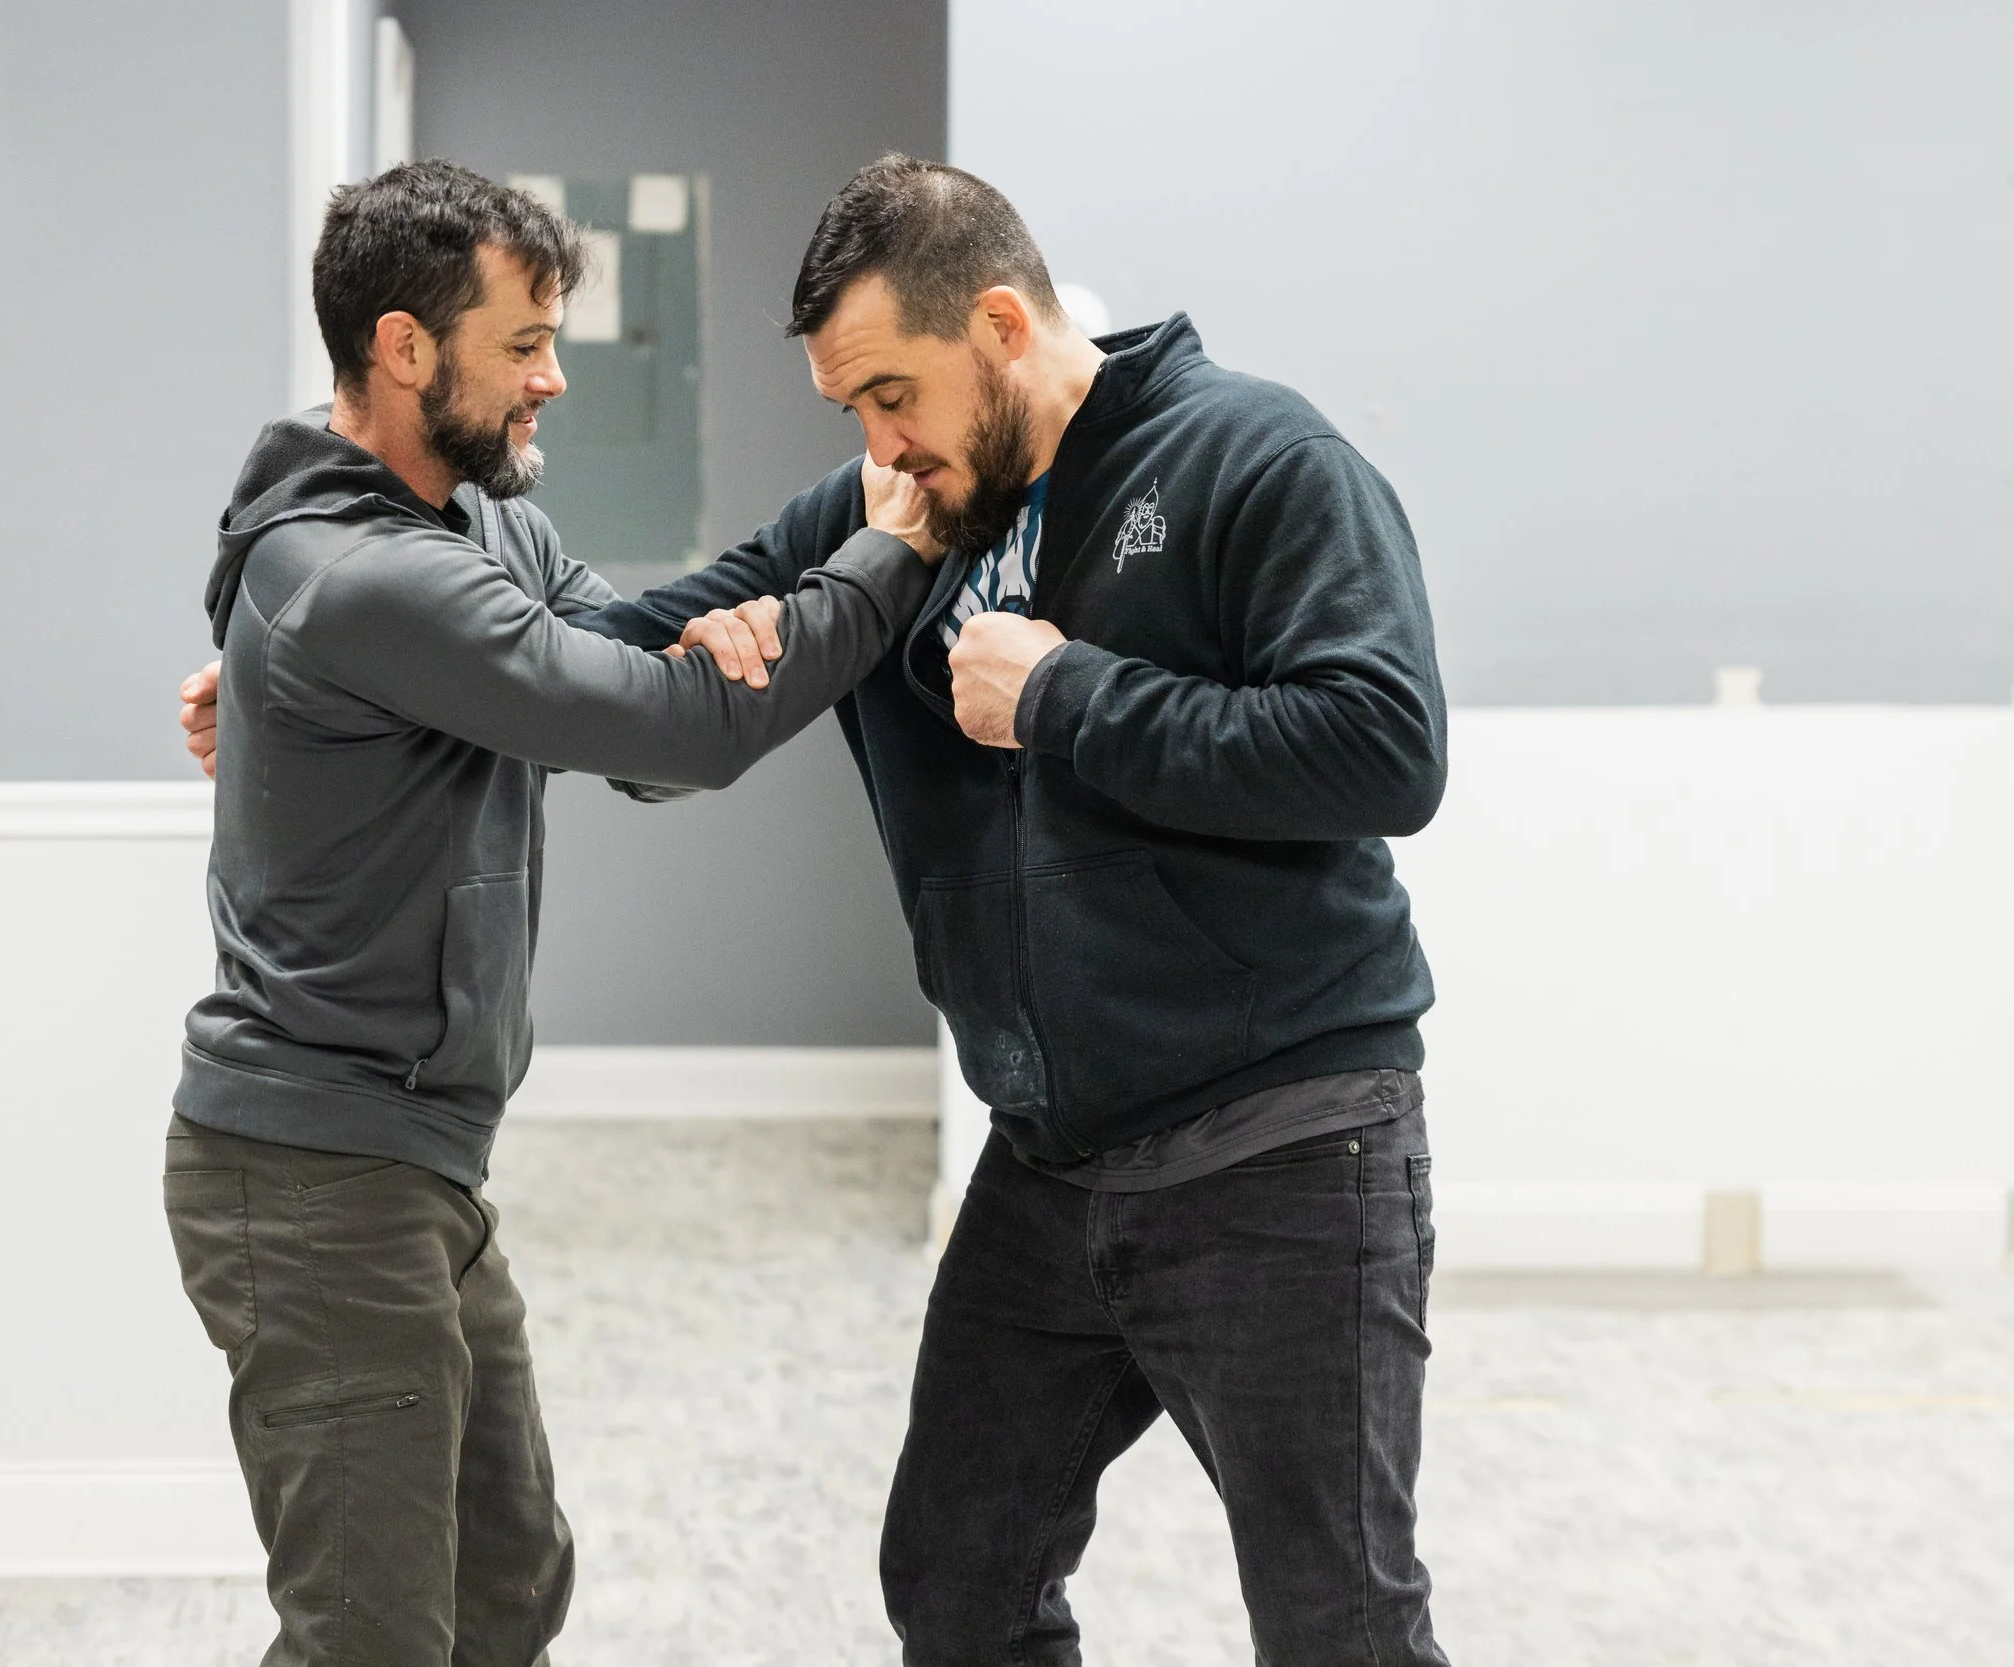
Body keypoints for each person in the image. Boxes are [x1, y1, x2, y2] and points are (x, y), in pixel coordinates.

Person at [182, 154, 1450, 1666]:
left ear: (999, 324)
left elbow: (1387, 747)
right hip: (1052, 1156)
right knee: (958, 1586)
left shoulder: (1254, 458)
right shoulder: (897, 505)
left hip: (1281, 1140)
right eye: (851, 410)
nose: (877, 448)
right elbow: (632, 681)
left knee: (1338, 1622)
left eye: (891, 395)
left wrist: (1064, 693)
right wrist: (310, 676)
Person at [161, 159, 940, 1667]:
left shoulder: (470, 526)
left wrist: (840, 516)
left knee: (507, 1584)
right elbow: (669, 726)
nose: (554, 377)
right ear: (404, 348)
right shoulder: (359, 573)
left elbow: (627, 656)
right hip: (317, 1178)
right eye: (522, 344)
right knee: (369, 1637)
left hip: (411, 1162)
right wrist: (890, 555)